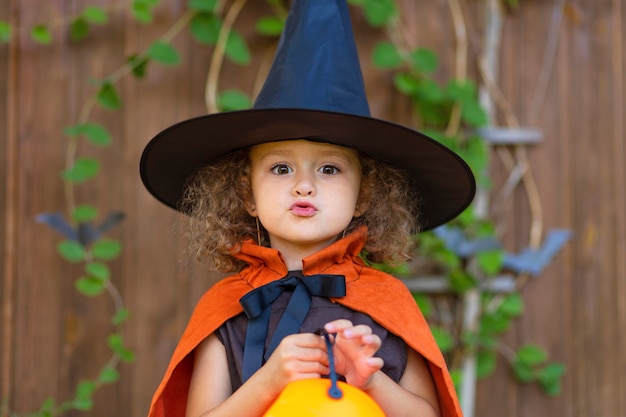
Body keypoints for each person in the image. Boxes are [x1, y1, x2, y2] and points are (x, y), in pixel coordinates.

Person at [139, 1, 475, 416]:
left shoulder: (387, 302)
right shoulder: (228, 308)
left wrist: (371, 380)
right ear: (247, 194)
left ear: (364, 195)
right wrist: (269, 381)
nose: (304, 185)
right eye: (281, 167)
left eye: (329, 168)